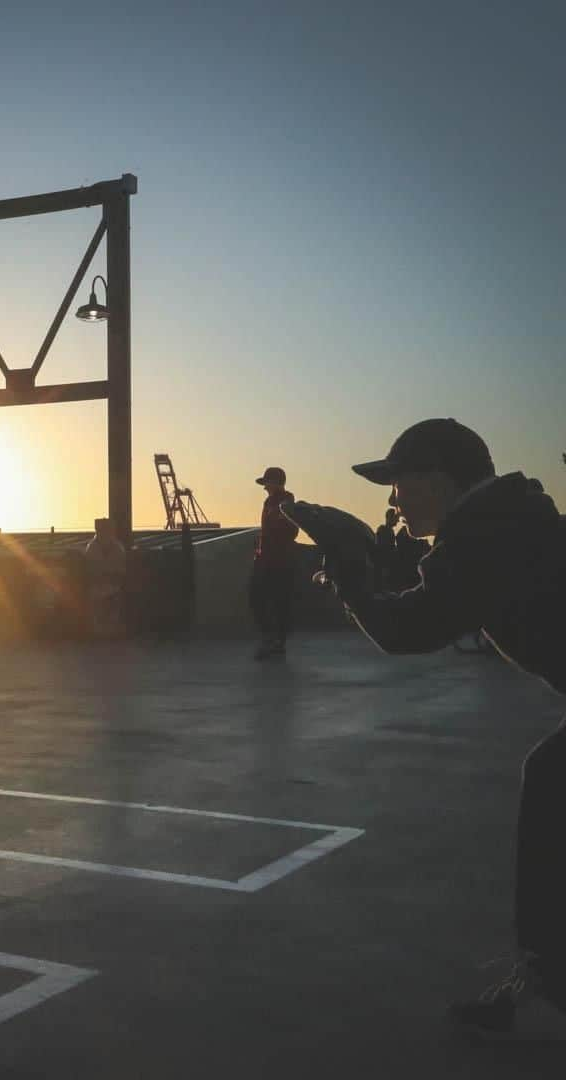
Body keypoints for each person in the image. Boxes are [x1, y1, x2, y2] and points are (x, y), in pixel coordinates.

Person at [297, 418, 566, 1036]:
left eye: (400, 482)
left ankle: (549, 972)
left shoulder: (487, 537)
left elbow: (406, 631)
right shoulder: (504, 523)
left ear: (441, 480)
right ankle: (546, 969)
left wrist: (348, 559)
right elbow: (425, 605)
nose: (393, 499)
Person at [249, 466, 298, 659]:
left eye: (267, 483)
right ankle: (270, 638)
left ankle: (277, 642)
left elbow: (291, 530)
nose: (265, 488)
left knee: (280, 601)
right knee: (256, 596)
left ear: (276, 483)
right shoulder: (268, 502)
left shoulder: (287, 501)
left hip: (280, 560)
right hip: (265, 558)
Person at [84, 517, 127, 635]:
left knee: (111, 611)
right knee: (99, 611)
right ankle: (99, 631)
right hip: (97, 588)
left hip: (112, 588)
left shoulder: (117, 548)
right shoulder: (92, 548)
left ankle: (109, 630)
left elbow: (121, 572)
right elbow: (89, 571)